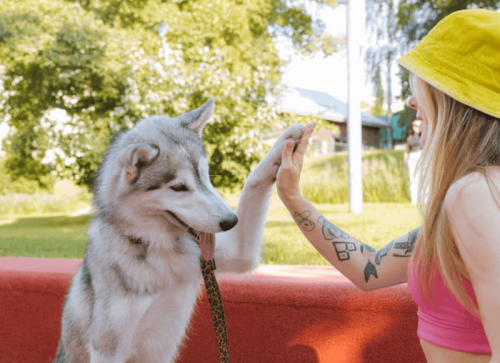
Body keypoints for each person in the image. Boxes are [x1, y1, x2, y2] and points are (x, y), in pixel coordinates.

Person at [276, 9, 500, 363]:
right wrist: (292, 198)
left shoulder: (474, 193)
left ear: (460, 102)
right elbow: (371, 269)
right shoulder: (469, 198)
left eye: (426, 85)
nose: (412, 103)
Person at [405, 118, 423, 205]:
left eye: (417, 125)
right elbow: (407, 151)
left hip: (421, 156)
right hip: (412, 157)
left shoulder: (424, 137)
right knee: (413, 179)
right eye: (414, 125)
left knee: (422, 178)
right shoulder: (410, 138)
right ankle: (414, 200)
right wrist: (405, 163)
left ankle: (424, 199)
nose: (415, 127)